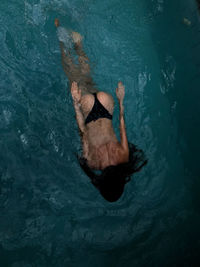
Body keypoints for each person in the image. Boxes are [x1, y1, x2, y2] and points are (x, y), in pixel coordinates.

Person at [55, 19, 147, 202]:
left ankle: (78, 43)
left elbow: (122, 125)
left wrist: (120, 100)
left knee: (87, 78)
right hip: (89, 110)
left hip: (106, 104)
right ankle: (61, 39)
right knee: (72, 74)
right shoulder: (93, 163)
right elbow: (82, 131)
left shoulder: (124, 157)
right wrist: (75, 102)